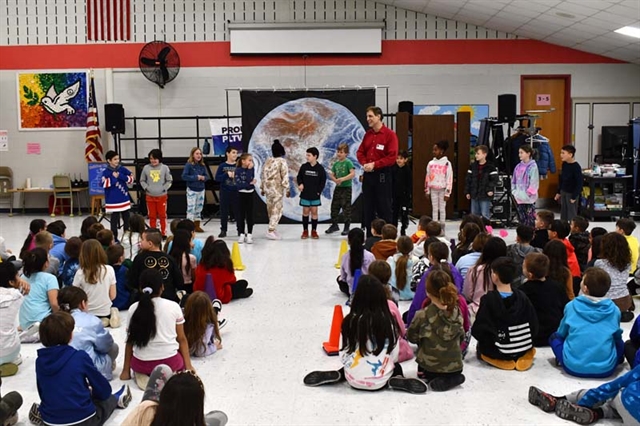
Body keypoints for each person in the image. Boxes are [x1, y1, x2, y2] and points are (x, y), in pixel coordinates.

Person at [303, 275, 427, 394]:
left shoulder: (349, 321)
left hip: (353, 380)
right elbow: (394, 355)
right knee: (396, 366)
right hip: (381, 380)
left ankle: (344, 374)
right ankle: (396, 377)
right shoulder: (388, 322)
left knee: (354, 361)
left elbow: (343, 353)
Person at [29, 312, 131, 426]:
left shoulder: (40, 361)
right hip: (83, 420)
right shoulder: (79, 357)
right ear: (70, 336)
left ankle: (42, 414)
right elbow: (104, 390)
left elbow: (42, 392)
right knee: (105, 401)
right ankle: (118, 398)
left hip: (51, 421)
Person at [120, 269, 194, 389]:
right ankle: (167, 377)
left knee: (140, 364)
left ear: (140, 288)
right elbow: (181, 339)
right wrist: (189, 366)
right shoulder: (174, 306)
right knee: (176, 358)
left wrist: (125, 371)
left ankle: (143, 376)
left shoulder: (133, 308)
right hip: (170, 362)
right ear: (162, 287)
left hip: (142, 364)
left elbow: (130, 341)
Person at [549, 267, 624, 378]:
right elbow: (616, 336)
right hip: (606, 369)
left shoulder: (571, 306)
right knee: (620, 342)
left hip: (573, 367)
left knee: (553, 338)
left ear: (584, 288)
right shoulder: (614, 310)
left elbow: (561, 333)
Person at [472, 257, 539, 371]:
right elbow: (534, 325)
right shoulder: (522, 297)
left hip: (499, 350)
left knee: (481, 347)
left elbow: (479, 330)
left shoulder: (488, 299)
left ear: (495, 276)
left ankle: (501, 359)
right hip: (523, 346)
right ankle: (523, 356)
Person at [407, 269, 465, 391]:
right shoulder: (457, 312)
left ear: (427, 292)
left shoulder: (422, 315)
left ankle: (432, 378)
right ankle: (452, 378)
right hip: (455, 366)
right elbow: (462, 337)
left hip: (429, 367)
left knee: (423, 367)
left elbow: (411, 337)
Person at [528, 365, 640, 425]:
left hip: (630, 401)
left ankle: (559, 399)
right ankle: (596, 414)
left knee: (614, 394)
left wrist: (586, 402)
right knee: (616, 409)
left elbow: (615, 385)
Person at [122, 365, 228, 426]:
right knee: (221, 416)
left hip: (154, 419)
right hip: (190, 420)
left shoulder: (145, 410)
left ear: (164, 396)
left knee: (162, 369)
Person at [58, 287, 119, 381]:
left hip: (59, 371)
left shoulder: (52, 322)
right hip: (88, 372)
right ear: (83, 303)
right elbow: (106, 345)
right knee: (113, 347)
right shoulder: (91, 321)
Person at [356, 106, 398, 238]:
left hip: (383, 175)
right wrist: (365, 164)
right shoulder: (368, 134)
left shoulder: (390, 135)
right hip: (368, 176)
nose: (367, 119)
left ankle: (388, 238)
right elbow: (360, 152)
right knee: (368, 208)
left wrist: (375, 164)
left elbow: (392, 157)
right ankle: (369, 237)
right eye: (367, 116)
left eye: (370, 116)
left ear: (379, 116)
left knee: (384, 208)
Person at [407, 241, 464, 326]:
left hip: (430, 321)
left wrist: (410, 322)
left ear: (431, 257)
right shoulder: (454, 271)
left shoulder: (429, 275)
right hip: (455, 316)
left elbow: (418, 300)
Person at [519, 253, 569, 347]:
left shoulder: (522, 291)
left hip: (533, 337)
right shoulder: (557, 287)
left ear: (530, 274)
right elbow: (565, 308)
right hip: (555, 335)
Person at [367, 261, 412, 361]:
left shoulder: (363, 297)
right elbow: (401, 329)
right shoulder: (394, 294)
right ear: (389, 276)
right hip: (389, 341)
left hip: (367, 343)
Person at [129, 228, 184, 303]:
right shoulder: (170, 259)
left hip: (145, 299)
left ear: (150, 244)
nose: (140, 241)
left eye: (142, 239)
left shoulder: (139, 258)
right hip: (167, 298)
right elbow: (179, 282)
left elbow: (132, 281)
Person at [72, 240, 118, 327]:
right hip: (105, 311)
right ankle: (110, 318)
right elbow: (113, 296)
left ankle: (97, 322)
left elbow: (75, 295)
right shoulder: (109, 269)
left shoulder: (80, 273)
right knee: (112, 309)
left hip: (87, 313)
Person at [193, 238, 253, 303]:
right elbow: (233, 280)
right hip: (219, 296)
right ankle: (240, 293)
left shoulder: (202, 264)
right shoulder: (224, 267)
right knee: (243, 283)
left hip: (199, 294)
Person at [462, 237, 508, 316]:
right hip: (503, 311)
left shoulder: (475, 270)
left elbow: (467, 294)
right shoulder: (506, 270)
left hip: (477, 310)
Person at [595, 232, 634, 322]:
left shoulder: (599, 263)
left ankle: (609, 315)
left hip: (606, 302)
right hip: (625, 300)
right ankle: (619, 314)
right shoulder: (627, 263)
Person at [19, 248, 59, 332]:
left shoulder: (22, 278)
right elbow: (54, 304)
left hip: (24, 323)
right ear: (46, 263)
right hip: (43, 322)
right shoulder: (50, 278)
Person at [0, 262, 28, 376]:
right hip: (11, 350)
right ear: (11, 282)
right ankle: (9, 360)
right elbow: (25, 291)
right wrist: (23, 283)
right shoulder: (17, 296)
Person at [261, 139, 290, 240]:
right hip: (277, 189)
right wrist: (287, 189)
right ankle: (271, 230)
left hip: (268, 188)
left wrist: (262, 187)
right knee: (277, 210)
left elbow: (263, 175)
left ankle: (273, 229)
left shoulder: (268, 161)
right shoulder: (282, 161)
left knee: (270, 209)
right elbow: (285, 175)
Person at [102, 150, 133, 243]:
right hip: (113, 200)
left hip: (124, 198)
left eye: (118, 159)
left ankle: (127, 237)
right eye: (115, 159)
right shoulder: (106, 172)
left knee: (126, 219)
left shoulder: (122, 169)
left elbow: (131, 179)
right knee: (114, 220)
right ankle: (114, 238)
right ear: (109, 160)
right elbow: (104, 184)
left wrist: (121, 176)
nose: (117, 161)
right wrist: (113, 178)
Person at [141, 149, 173, 238]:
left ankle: (163, 233)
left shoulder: (165, 168)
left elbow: (169, 180)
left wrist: (163, 188)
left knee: (162, 216)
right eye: (151, 158)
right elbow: (142, 180)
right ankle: (152, 233)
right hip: (150, 197)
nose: (153, 161)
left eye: (155, 159)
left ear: (159, 159)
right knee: (152, 216)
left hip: (162, 196)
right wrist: (147, 188)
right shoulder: (146, 168)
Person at [297, 147, 327, 240]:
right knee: (305, 212)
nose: (307, 157)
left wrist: (319, 191)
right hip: (305, 194)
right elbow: (299, 177)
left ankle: (314, 230)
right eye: (307, 155)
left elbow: (323, 181)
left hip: (315, 195)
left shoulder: (320, 168)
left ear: (315, 156)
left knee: (314, 212)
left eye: (309, 155)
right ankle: (305, 230)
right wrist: (300, 184)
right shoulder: (304, 167)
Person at [326, 143, 356, 236]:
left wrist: (342, 179)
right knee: (334, 207)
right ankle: (334, 225)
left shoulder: (348, 162)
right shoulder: (336, 163)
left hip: (346, 188)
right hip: (338, 188)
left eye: (341, 152)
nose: (339, 154)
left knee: (346, 208)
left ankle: (347, 227)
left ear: (346, 154)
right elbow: (332, 174)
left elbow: (352, 174)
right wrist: (335, 180)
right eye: (338, 152)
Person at [184, 291, 223, 357]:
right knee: (212, 321)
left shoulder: (181, 320)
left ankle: (215, 313)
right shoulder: (207, 327)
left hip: (188, 318)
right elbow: (201, 352)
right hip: (207, 324)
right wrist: (215, 347)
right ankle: (215, 314)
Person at [338, 228, 375, 297]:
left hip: (352, 291)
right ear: (364, 240)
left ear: (349, 241)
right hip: (368, 289)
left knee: (339, 278)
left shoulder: (345, 256)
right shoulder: (370, 256)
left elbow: (343, 277)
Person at [464, 144, 498, 220]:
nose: (476, 155)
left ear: (484, 154)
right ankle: (475, 230)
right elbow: (468, 179)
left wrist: (490, 189)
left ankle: (486, 230)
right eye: (476, 153)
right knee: (474, 215)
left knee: (485, 214)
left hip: (485, 194)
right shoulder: (473, 166)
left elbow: (494, 179)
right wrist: (467, 191)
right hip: (474, 193)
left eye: (478, 153)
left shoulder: (490, 167)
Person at [424, 140, 453, 224]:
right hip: (433, 189)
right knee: (434, 208)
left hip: (443, 189)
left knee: (442, 209)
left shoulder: (447, 163)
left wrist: (448, 192)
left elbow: (449, 178)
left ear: (441, 151)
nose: (433, 152)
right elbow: (427, 177)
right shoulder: (430, 163)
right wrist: (427, 190)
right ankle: (434, 226)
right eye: (433, 150)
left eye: (436, 150)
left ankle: (442, 227)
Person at [182, 147, 209, 233]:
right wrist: (195, 177)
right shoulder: (189, 165)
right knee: (191, 208)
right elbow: (184, 176)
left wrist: (203, 178)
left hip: (201, 189)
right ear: (193, 155)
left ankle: (197, 225)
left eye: (200, 154)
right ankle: (189, 227)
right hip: (192, 189)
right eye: (197, 154)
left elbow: (207, 176)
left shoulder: (202, 165)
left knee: (199, 208)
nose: (199, 155)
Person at [511, 144, 539, 227]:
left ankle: (530, 234)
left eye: (522, 152)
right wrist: (514, 191)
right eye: (519, 153)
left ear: (528, 153)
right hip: (519, 197)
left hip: (528, 198)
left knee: (530, 218)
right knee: (521, 218)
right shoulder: (518, 166)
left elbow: (534, 181)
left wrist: (529, 192)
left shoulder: (533, 166)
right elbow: (514, 180)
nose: (520, 154)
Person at [554, 144, 583, 222]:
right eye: (561, 153)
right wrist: (558, 192)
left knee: (571, 214)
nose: (561, 155)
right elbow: (562, 179)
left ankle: (573, 228)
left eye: (563, 153)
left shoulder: (576, 167)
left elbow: (579, 183)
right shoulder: (565, 164)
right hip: (564, 191)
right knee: (563, 213)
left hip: (572, 193)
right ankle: (563, 227)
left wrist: (574, 196)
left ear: (570, 154)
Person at [215, 146, 239, 238]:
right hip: (225, 192)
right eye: (233, 152)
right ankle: (223, 230)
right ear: (227, 153)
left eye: (236, 153)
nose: (235, 155)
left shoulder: (238, 165)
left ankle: (239, 229)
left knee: (238, 212)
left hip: (236, 192)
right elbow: (217, 178)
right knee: (224, 212)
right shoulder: (222, 166)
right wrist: (226, 174)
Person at [387, 236, 418, 301]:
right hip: (412, 296)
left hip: (394, 296)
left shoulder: (390, 260)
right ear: (412, 248)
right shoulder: (416, 261)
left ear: (397, 247)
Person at [235, 152, 256, 244]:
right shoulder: (238, 170)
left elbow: (249, 179)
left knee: (249, 215)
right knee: (241, 215)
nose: (251, 162)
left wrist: (249, 170)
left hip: (250, 194)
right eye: (249, 160)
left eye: (251, 160)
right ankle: (241, 234)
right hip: (241, 194)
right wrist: (249, 184)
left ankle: (250, 234)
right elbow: (239, 185)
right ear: (243, 161)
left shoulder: (251, 169)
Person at [168, 229, 197, 295]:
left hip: (173, 287)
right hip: (188, 287)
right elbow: (194, 276)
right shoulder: (191, 258)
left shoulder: (169, 257)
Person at [391, 150, 412, 236]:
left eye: (401, 158)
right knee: (394, 213)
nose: (399, 160)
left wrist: (408, 194)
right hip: (394, 195)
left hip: (404, 196)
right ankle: (393, 229)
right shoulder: (393, 169)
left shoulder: (407, 170)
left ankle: (403, 229)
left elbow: (409, 184)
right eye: (397, 158)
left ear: (406, 159)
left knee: (404, 213)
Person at [106, 244, 131, 311]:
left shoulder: (106, 271)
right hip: (124, 303)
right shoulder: (125, 271)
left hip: (109, 303)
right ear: (121, 258)